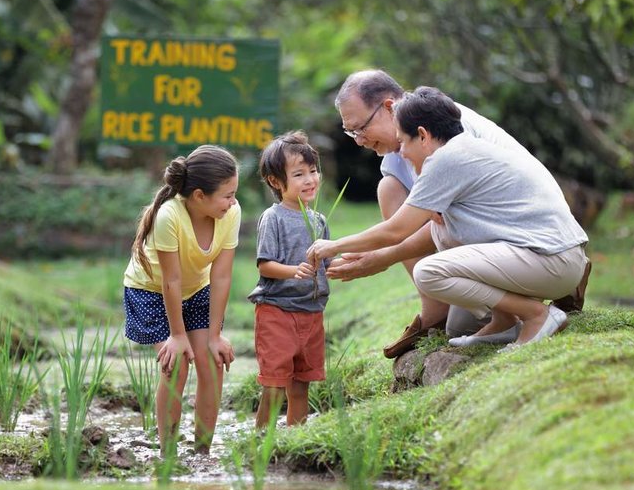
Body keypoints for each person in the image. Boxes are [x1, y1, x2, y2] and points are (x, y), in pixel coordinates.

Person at [331, 70, 591, 357]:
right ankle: (491, 317)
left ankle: (536, 313)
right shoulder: (418, 140)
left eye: (360, 128)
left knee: (430, 272)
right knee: (459, 328)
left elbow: (403, 229)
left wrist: (368, 254)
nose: (358, 140)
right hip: (504, 244)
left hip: (533, 244)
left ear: (391, 108)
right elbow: (438, 225)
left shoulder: (450, 139)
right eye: (350, 132)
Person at [123, 145, 240, 454]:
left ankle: (202, 452)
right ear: (200, 196)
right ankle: (168, 453)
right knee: (176, 367)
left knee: (212, 363)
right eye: (227, 195)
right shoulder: (169, 216)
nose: (233, 202)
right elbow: (170, 280)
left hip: (196, 289)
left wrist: (214, 336)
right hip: (150, 290)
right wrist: (177, 335)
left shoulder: (231, 214)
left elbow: (221, 276)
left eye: (234, 193)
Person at [247, 131, 329, 429]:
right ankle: (261, 442)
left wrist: (350, 263)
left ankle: (296, 437)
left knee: (301, 383)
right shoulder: (274, 218)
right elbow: (265, 265)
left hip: (311, 312)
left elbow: (326, 264)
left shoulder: (319, 220)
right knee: (275, 383)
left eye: (313, 171)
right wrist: (293, 270)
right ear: (275, 181)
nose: (310, 180)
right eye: (299, 174)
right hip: (277, 311)